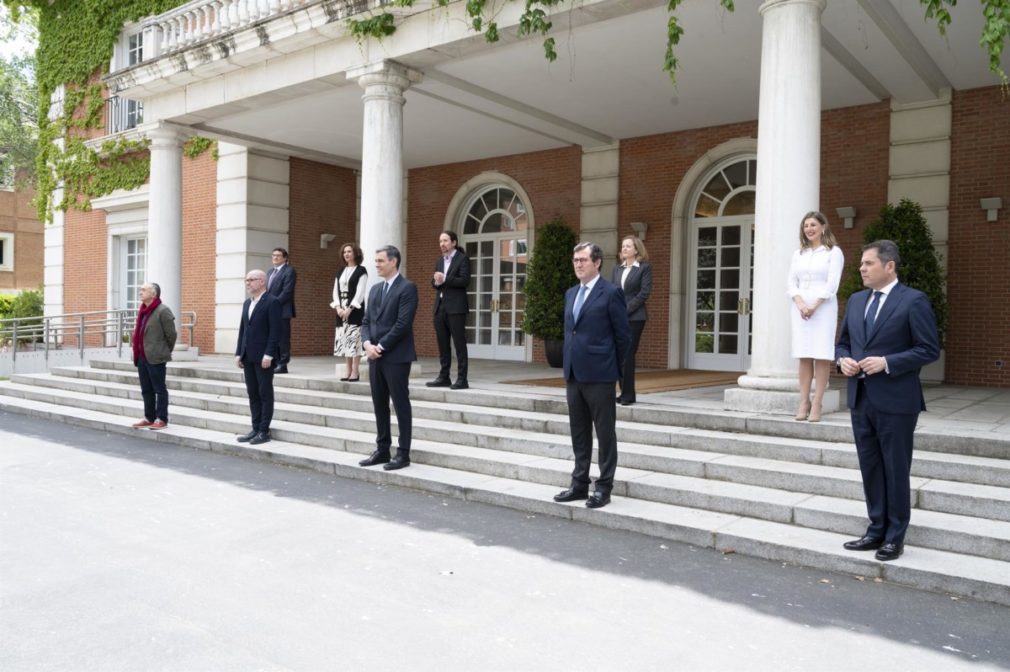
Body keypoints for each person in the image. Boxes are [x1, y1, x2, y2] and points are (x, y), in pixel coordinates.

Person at [836, 240, 940, 562]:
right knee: (870, 466)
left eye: (868, 264)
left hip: (897, 401)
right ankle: (875, 528)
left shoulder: (913, 301)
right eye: (861, 265)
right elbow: (843, 344)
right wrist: (843, 362)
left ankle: (895, 536)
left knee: (895, 468)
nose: (862, 269)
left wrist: (887, 362)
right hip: (861, 398)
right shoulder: (855, 301)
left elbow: (928, 349)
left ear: (889, 265)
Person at [553, 242, 631, 509]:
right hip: (574, 373)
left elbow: (623, 337)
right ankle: (579, 484)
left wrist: (614, 370)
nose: (578, 264)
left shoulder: (611, 293)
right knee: (579, 431)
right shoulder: (570, 293)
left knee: (605, 432)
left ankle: (604, 487)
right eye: (575, 260)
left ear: (597, 262)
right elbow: (570, 332)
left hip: (600, 374)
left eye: (583, 259)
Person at [358, 245, 418, 471]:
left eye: (380, 261)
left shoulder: (407, 288)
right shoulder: (374, 289)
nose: (376, 264)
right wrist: (367, 345)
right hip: (374, 356)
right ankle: (382, 449)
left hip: (396, 357)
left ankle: (403, 454)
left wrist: (380, 346)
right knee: (379, 404)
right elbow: (366, 322)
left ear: (393, 262)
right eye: (376, 261)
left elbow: (403, 324)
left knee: (400, 404)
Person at [787, 211, 844, 422]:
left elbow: (833, 283)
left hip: (824, 308)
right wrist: (801, 304)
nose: (809, 229)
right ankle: (803, 401)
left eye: (812, 225)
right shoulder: (798, 254)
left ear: (823, 227)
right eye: (805, 226)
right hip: (800, 309)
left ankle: (817, 402)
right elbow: (792, 283)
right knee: (804, 355)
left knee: (821, 354)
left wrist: (814, 305)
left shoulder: (833, 252)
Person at [235, 269, 282, 446]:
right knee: (252, 393)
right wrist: (239, 352)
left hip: (264, 357)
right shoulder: (247, 303)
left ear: (262, 281)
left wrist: (269, 354)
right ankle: (255, 428)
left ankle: (264, 430)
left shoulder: (272, 302)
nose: (248, 283)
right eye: (246, 280)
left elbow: (275, 331)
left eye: (251, 279)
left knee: (264, 393)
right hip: (248, 356)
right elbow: (243, 330)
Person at [427, 230, 471, 390]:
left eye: (445, 241)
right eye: (440, 241)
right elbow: (435, 283)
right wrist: (437, 282)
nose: (442, 244)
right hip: (440, 307)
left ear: (453, 242)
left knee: (459, 344)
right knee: (443, 344)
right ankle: (444, 376)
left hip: (456, 308)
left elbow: (465, 281)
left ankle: (462, 379)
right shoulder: (440, 260)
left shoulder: (462, 259)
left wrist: (445, 279)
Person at [612, 235, 652, 406]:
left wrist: (625, 310)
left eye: (628, 246)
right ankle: (623, 393)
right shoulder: (617, 269)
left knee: (628, 354)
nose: (625, 249)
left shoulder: (644, 268)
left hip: (635, 318)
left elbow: (644, 293)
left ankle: (628, 395)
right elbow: (613, 292)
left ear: (636, 250)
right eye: (623, 246)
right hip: (618, 317)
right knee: (619, 355)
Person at [131, 282, 177, 430]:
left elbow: (171, 335)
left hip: (156, 356)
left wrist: (164, 350)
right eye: (140, 290)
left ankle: (162, 418)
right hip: (142, 357)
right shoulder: (143, 310)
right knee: (146, 389)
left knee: (159, 389)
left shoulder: (163, 310)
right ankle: (149, 417)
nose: (140, 292)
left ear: (153, 294)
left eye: (144, 290)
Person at [331, 242, 368, 382]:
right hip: (341, 309)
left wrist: (350, 309)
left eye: (349, 252)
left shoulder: (361, 271)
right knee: (344, 340)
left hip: (355, 309)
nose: (346, 254)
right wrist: (338, 307)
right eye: (344, 252)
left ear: (356, 254)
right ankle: (347, 370)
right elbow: (335, 291)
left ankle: (355, 371)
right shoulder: (340, 271)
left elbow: (360, 292)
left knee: (355, 340)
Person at [266, 247, 296, 373]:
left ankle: (283, 364)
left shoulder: (289, 271)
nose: (275, 257)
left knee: (283, 338)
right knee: (272, 337)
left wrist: (274, 304)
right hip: (270, 310)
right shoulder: (269, 272)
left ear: (285, 258)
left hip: (282, 310)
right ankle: (275, 362)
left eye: (278, 255)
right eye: (273, 255)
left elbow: (287, 291)